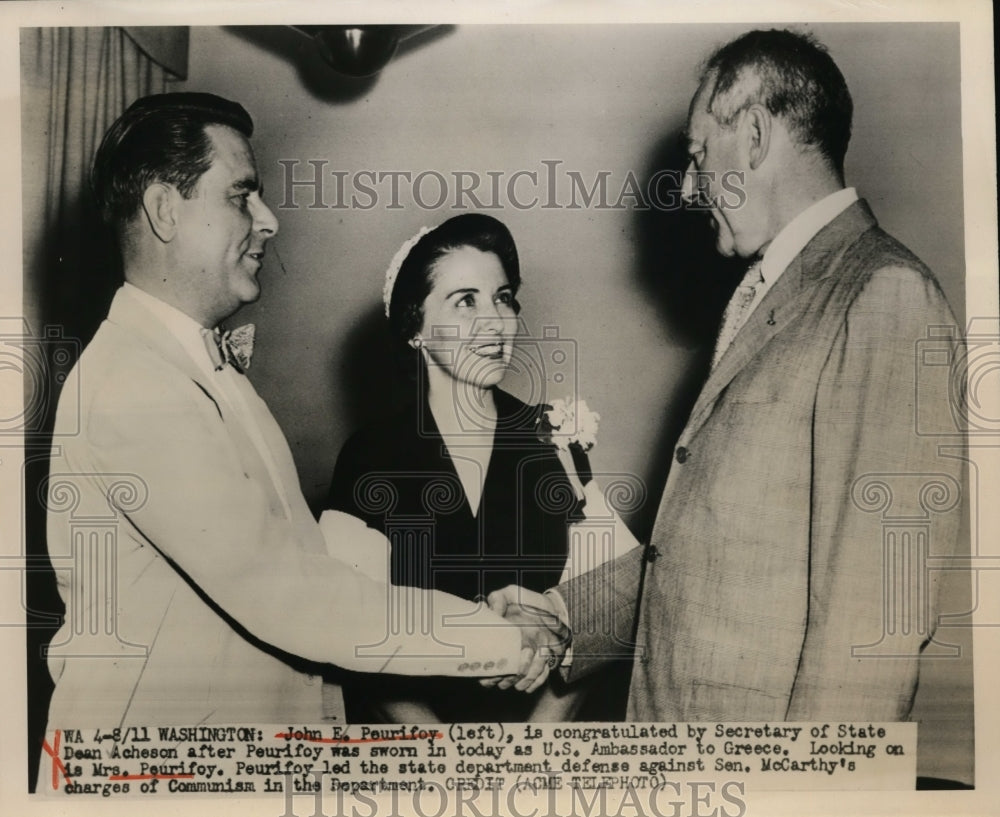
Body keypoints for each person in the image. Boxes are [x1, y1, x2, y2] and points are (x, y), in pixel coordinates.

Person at [37, 93, 561, 785]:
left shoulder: (210, 373)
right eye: (242, 195)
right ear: (165, 209)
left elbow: (314, 568)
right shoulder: (136, 384)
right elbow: (287, 593)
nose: (269, 220)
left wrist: (485, 611)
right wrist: (496, 637)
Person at [489, 28, 964, 722]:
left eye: (697, 154)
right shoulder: (771, 295)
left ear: (755, 135)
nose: (688, 187)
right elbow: (698, 556)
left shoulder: (884, 294)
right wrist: (562, 614)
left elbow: (871, 634)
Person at [327, 213, 609, 722]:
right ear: (415, 328)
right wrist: (448, 758)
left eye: (503, 298)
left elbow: (603, 612)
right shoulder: (369, 457)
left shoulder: (555, 440)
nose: (495, 321)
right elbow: (353, 636)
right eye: (465, 301)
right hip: (419, 749)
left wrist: (533, 747)